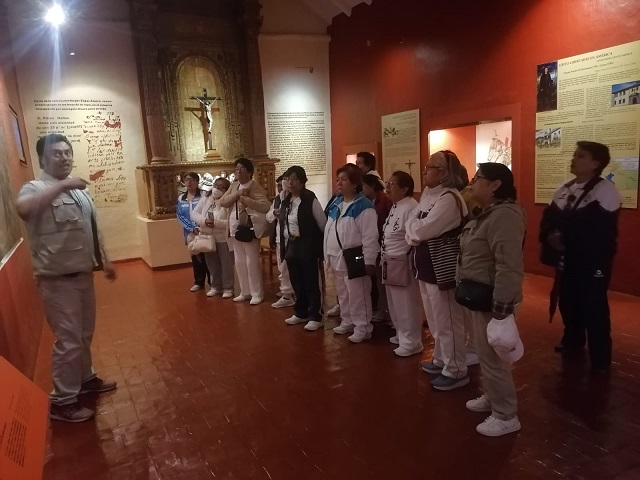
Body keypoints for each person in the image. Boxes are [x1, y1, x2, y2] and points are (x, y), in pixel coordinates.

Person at [15, 133, 117, 423]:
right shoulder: (35, 188)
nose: (64, 157)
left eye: (67, 152)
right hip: (57, 281)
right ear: (42, 159)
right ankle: (62, 402)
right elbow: (23, 209)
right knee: (69, 340)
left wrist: (105, 261)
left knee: (83, 335)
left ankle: (85, 379)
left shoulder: (79, 191)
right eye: (57, 153)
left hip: (83, 276)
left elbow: (90, 230)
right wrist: (61, 186)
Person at [540, 141, 621, 373]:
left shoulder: (605, 190)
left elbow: (599, 229)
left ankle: (600, 358)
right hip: (568, 259)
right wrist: (551, 234)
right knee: (568, 300)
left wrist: (564, 235)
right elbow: (549, 218)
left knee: (594, 306)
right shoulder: (565, 188)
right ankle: (573, 340)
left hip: (592, 261)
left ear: (596, 163)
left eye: (581, 156)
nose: (574, 159)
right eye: (575, 154)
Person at [458, 163, 525, 437]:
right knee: (487, 355)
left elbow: (509, 265)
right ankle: (493, 396)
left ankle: (506, 415)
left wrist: (502, 307)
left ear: (495, 185)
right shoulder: (489, 214)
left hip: (493, 298)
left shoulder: (505, 216)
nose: (472, 183)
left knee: (494, 359)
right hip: (480, 295)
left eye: (478, 179)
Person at [406, 150, 469, 391]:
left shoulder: (449, 198)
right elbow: (412, 224)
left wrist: (415, 231)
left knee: (448, 321)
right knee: (434, 318)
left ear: (443, 173)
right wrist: (415, 230)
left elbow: (423, 230)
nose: (424, 170)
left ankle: (456, 369)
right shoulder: (428, 194)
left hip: (442, 268)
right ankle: (441, 358)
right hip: (426, 266)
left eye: (430, 167)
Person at [325, 164, 379, 343]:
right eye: (338, 179)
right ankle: (347, 320)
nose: (339, 183)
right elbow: (329, 229)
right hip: (336, 256)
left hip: (354, 256)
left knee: (358, 293)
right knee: (343, 292)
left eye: (344, 179)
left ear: (355, 183)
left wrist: (369, 260)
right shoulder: (337, 203)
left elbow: (370, 236)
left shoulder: (364, 206)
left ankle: (362, 327)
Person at [280, 166, 327, 330]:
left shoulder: (310, 199)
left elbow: (322, 223)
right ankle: (301, 312)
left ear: (302, 181)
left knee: (311, 281)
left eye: (294, 179)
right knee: (297, 281)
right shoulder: (286, 200)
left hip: (308, 245)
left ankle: (315, 315)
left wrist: (319, 246)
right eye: (288, 179)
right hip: (292, 244)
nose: (290, 183)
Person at [218, 157, 271, 305]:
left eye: (241, 169)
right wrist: (237, 194)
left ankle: (257, 293)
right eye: (236, 169)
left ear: (249, 172)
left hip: (248, 229)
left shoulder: (255, 186)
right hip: (234, 228)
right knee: (240, 261)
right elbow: (222, 202)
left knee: (251, 261)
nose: (238, 172)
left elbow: (265, 206)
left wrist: (246, 200)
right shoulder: (234, 185)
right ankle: (245, 292)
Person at [381, 171, 422, 356]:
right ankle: (401, 334)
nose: (388, 187)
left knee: (406, 304)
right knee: (394, 303)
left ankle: (411, 341)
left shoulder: (411, 207)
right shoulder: (396, 205)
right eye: (388, 182)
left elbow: (412, 236)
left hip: (403, 262)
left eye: (392, 184)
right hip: (390, 261)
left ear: (405, 189)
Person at [191, 176, 235, 299]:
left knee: (226, 264)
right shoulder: (206, 199)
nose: (217, 188)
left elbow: (231, 222)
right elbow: (194, 214)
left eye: (221, 187)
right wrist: (204, 221)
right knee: (212, 264)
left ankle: (228, 288)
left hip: (223, 238)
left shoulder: (229, 202)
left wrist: (216, 223)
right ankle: (216, 286)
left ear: (227, 189)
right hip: (208, 238)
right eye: (216, 185)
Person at [362, 173, 393, 322]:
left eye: (364, 186)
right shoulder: (371, 201)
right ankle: (383, 310)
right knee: (379, 281)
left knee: (384, 282)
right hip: (378, 245)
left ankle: (388, 313)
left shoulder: (384, 200)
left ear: (372, 187)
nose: (362, 189)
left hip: (384, 245)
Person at [177, 172, 210, 292]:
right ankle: (199, 282)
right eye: (186, 180)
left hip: (203, 229)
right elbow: (180, 215)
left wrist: (200, 225)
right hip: (190, 232)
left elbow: (207, 211)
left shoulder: (204, 195)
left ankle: (213, 282)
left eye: (192, 180)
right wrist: (191, 228)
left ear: (197, 181)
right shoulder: (181, 198)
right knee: (196, 257)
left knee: (208, 256)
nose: (189, 182)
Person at [267, 174, 295, 308]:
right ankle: (286, 292)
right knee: (282, 266)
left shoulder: (296, 197)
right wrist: (274, 213)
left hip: (293, 238)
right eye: (278, 185)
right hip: (280, 238)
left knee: (292, 267)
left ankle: (290, 292)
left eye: (281, 184)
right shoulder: (278, 199)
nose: (280, 188)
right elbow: (268, 216)